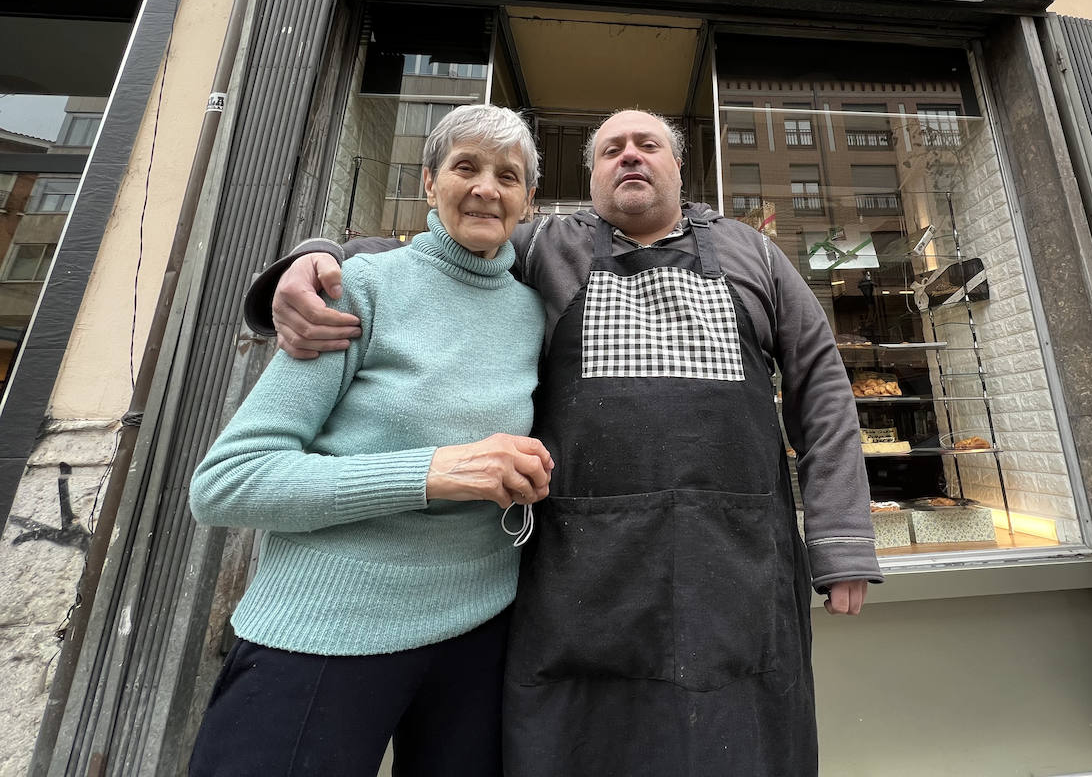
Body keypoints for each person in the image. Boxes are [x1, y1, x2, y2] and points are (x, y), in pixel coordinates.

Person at [250, 109, 882, 776]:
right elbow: (429, 253)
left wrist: (840, 541)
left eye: (648, 145)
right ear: (591, 175)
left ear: (678, 168)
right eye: (612, 148)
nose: (630, 155)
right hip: (590, 572)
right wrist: (319, 257)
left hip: (737, 566)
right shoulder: (545, 243)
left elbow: (823, 387)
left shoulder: (755, 253)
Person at [189, 105, 552, 777]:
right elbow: (226, 482)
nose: (486, 188)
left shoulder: (535, 312)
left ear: (528, 202)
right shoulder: (358, 285)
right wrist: (435, 470)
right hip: (326, 626)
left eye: (509, 175)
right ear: (428, 182)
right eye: (465, 166)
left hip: (483, 631)